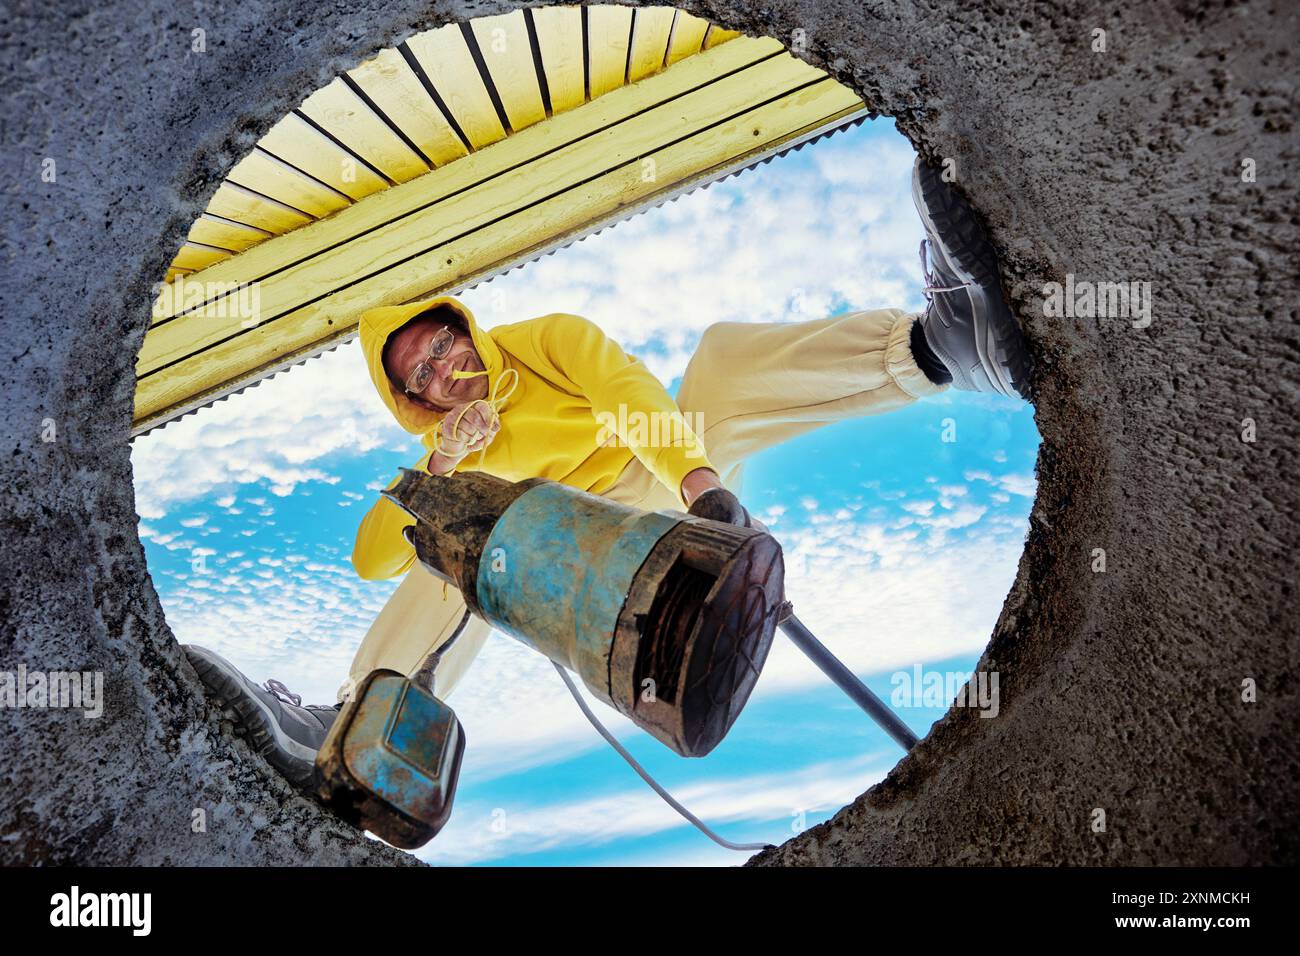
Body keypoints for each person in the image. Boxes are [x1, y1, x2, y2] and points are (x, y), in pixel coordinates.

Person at [185, 158, 1032, 790]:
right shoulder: (441, 457)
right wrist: (442, 463)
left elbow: (630, 398)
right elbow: (371, 558)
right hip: (567, 552)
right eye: (423, 376)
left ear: (461, 327)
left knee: (721, 366)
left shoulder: (546, 339)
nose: (445, 368)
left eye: (443, 343)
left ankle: (948, 344)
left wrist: (699, 484)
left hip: (657, 490)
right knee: (448, 547)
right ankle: (356, 727)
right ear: (416, 402)